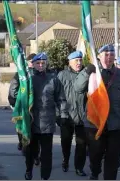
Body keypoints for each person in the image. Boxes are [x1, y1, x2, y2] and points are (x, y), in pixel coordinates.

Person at [74, 44, 120, 180]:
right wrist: (86, 72)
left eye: (112, 55)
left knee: (113, 158)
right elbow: (78, 88)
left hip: (115, 123)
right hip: (95, 123)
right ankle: (95, 170)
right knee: (95, 154)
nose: (109, 58)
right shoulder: (92, 73)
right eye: (106, 54)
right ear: (99, 56)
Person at [24, 52, 68, 180]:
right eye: (38, 63)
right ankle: (29, 170)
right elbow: (16, 95)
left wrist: (63, 114)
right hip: (31, 121)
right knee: (31, 150)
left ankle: (45, 176)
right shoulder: (27, 79)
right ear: (33, 64)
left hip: (48, 121)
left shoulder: (53, 79)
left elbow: (61, 98)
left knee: (47, 153)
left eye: (43, 63)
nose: (41, 65)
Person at [57, 51, 87, 176]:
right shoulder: (62, 75)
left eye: (80, 60)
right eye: (76, 61)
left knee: (82, 144)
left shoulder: (87, 74)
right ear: (69, 62)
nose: (79, 63)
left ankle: (79, 167)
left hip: (82, 116)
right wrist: (58, 114)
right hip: (67, 115)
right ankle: (65, 160)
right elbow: (56, 96)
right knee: (66, 141)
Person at [8, 53, 40, 165]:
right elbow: (13, 89)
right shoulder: (20, 74)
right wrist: (17, 101)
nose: (32, 64)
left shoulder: (40, 74)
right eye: (30, 61)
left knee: (35, 132)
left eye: (34, 61)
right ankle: (23, 145)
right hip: (23, 107)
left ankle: (35, 155)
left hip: (36, 108)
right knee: (23, 126)